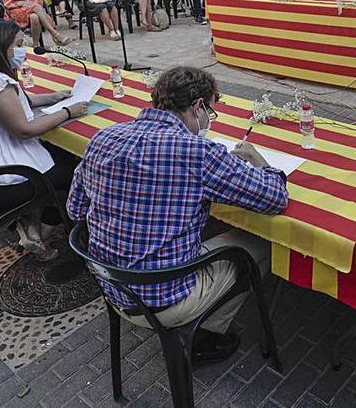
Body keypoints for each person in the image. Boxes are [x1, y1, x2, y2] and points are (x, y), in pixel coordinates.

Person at [67, 66, 288, 362]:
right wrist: (261, 162)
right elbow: (274, 197)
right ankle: (205, 332)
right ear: (198, 107)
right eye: (210, 112)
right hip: (165, 300)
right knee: (262, 243)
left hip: (112, 286)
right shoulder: (196, 151)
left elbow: (75, 209)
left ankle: (202, 322)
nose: (209, 120)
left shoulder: (103, 138)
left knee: (208, 232)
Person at [0, 20, 90, 260]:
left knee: (58, 157)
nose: (23, 52)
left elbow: (12, 104)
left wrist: (52, 97)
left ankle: (29, 220)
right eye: (18, 45)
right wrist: (67, 112)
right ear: (0, 48)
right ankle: (44, 232)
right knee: (79, 167)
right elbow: (23, 129)